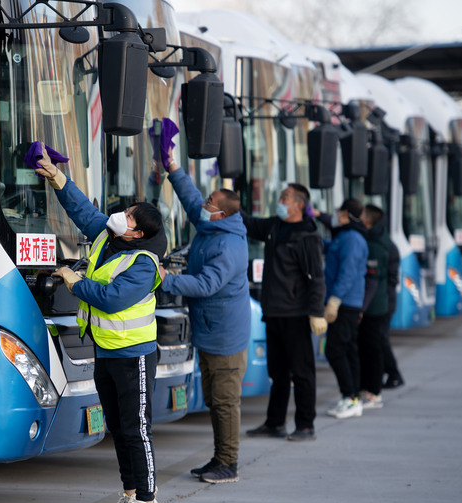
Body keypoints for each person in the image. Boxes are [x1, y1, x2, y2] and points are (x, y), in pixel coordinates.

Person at [33, 142, 167, 503]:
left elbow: (111, 299)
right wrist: (59, 179)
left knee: (137, 429)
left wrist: (74, 283)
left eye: (128, 217)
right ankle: (130, 494)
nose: (120, 217)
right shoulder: (111, 239)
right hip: (107, 352)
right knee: (118, 427)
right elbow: (83, 211)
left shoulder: (143, 264)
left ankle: (149, 500)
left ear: (137, 233)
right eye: (125, 211)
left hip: (135, 357)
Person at [158, 153, 251, 484]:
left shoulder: (228, 245)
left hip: (225, 335)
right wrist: (172, 167)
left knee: (225, 402)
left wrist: (164, 279)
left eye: (210, 201)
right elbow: (191, 197)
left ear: (221, 212)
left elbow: (206, 284)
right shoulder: (214, 225)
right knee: (214, 398)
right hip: (211, 332)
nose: (204, 204)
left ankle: (229, 463)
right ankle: (220, 457)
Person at [243, 184, 327, 442]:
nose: (279, 201)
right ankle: (275, 422)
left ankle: (305, 424)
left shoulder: (307, 236)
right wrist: (230, 202)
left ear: (299, 205)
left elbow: (316, 279)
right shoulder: (275, 227)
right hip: (274, 312)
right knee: (277, 373)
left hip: (296, 314)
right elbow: (250, 224)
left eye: (284, 198)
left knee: (301, 372)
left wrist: (316, 312)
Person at [319, 199, 368, 419]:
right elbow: (332, 251)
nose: (336, 215)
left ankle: (350, 397)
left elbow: (348, 272)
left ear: (345, 214)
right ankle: (352, 397)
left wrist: (335, 300)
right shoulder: (346, 236)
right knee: (347, 350)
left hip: (345, 303)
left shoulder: (352, 239)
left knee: (335, 350)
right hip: (347, 302)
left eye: (339, 211)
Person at [357, 204, 392, 408]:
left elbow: (372, 279)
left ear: (368, 220)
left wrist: (361, 308)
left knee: (373, 348)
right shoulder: (375, 239)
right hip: (373, 304)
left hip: (374, 306)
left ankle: (374, 392)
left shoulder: (375, 245)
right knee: (368, 347)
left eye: (362, 215)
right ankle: (368, 388)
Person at [382, 238, 405, 389]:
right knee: (380, 339)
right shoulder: (389, 245)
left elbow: (391, 278)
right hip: (386, 301)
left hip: (385, 302)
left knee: (381, 339)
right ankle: (392, 373)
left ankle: (394, 373)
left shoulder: (387, 247)